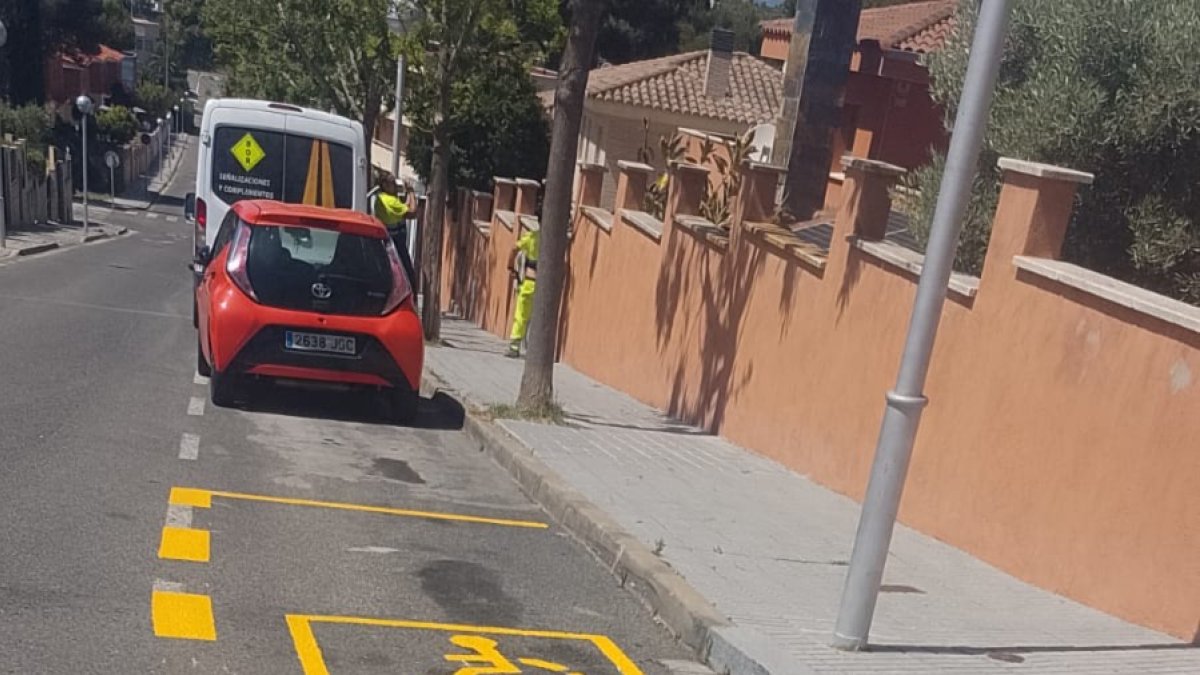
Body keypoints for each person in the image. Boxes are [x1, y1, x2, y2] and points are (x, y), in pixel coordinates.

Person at [368, 172, 417, 286]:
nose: (395, 185)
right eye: (392, 183)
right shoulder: (389, 201)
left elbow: (404, 207)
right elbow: (412, 212)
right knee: (408, 275)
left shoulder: (384, 198)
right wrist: (411, 192)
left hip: (390, 241)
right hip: (395, 242)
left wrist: (408, 193)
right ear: (384, 185)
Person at [505, 227, 539, 358]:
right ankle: (533, 348)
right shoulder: (553, 238)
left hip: (529, 283)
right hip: (544, 286)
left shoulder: (531, 237)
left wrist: (510, 266)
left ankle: (514, 347)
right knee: (536, 318)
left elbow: (514, 248)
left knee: (521, 315)